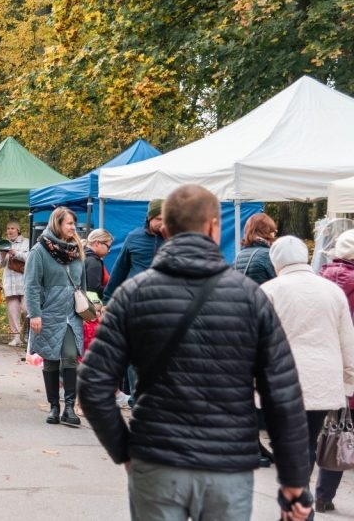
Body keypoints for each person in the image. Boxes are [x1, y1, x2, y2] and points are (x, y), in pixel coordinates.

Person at [78, 184, 312, 520]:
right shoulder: (250, 297)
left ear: (167, 228)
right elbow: (282, 394)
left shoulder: (133, 295)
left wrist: (125, 451)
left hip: (156, 459)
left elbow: (92, 383)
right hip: (227, 465)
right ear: (214, 226)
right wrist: (293, 480)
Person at [262, 236, 354, 517]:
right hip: (323, 384)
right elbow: (347, 342)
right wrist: (348, 383)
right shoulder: (331, 291)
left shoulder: (268, 290)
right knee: (305, 446)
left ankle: (299, 510)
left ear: (276, 262)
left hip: (281, 383)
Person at [25, 206, 87, 426]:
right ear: (58, 223)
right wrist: (35, 314)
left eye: (74, 224)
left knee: (70, 356)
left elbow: (82, 284)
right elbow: (31, 285)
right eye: (70, 223)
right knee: (51, 360)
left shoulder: (76, 249)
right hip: (48, 312)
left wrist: (87, 305)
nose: (74, 228)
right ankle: (54, 406)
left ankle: (69, 408)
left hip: (71, 314)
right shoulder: (39, 251)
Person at [316, 229, 354, 513]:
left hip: (326, 367)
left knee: (336, 431)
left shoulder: (319, 280)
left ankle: (323, 495)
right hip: (350, 363)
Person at [102, 199, 165, 304]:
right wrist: (107, 299)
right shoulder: (134, 237)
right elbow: (120, 269)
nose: (163, 223)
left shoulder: (173, 238)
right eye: (159, 219)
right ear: (150, 218)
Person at [0, 220, 29, 346]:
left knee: (26, 310)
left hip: (25, 281)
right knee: (13, 312)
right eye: (8, 228)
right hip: (10, 282)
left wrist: (16, 253)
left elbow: (30, 258)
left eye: (13, 228)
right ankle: (16, 337)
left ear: (18, 230)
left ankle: (25, 333)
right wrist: (3, 254)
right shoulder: (4, 243)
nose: (10, 230)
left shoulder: (27, 242)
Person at [83, 228, 114, 356]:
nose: (109, 250)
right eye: (108, 246)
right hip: (91, 313)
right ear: (97, 243)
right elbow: (92, 289)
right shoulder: (94, 262)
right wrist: (112, 289)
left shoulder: (84, 256)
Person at [234, 213, 278, 284]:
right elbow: (278, 283)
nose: (274, 234)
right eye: (273, 231)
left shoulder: (238, 256)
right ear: (266, 231)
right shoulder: (268, 254)